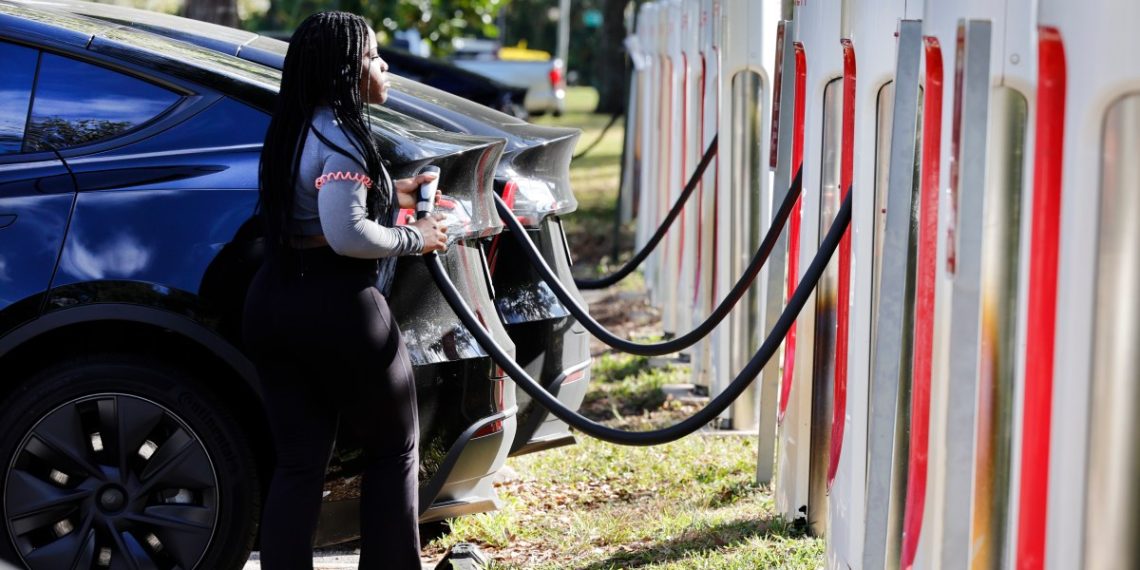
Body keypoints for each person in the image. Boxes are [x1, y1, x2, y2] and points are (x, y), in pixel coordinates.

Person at [242, 11, 448, 569]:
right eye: (373, 56)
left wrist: (395, 189)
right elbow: (345, 233)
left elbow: (321, 202)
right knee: (394, 449)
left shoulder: (293, 126)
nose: (383, 67)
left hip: (273, 302)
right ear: (347, 70)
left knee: (299, 464)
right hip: (338, 310)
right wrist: (417, 236)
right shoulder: (345, 136)